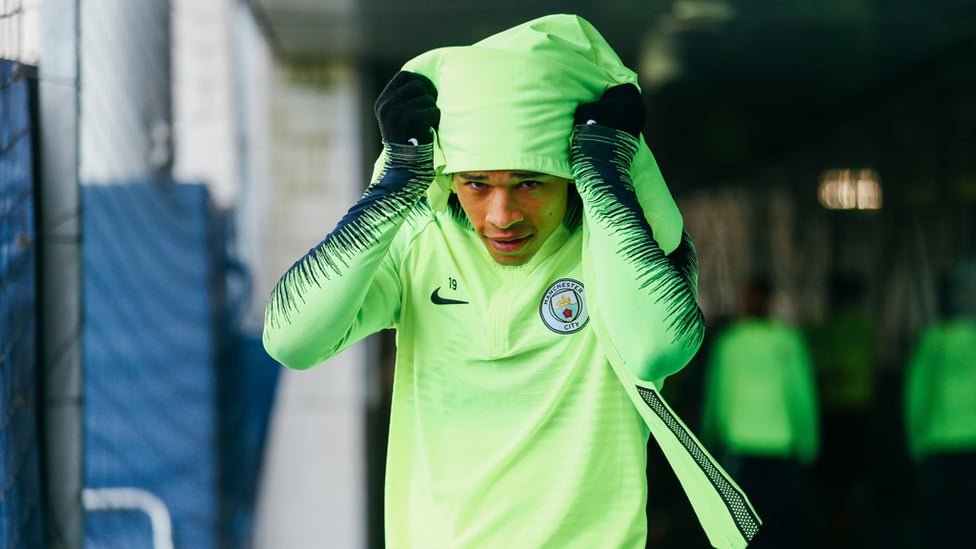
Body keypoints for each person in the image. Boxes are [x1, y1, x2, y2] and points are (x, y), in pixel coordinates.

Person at [263, 14, 758, 548]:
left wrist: (606, 178)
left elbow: (659, 348)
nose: (502, 214)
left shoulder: (616, 246)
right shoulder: (417, 243)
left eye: (529, 183)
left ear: (572, 172)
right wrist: (395, 186)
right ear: (449, 177)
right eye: (476, 184)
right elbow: (292, 339)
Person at [701, 275, 819, 548]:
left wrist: (710, 438)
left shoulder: (731, 343)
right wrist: (808, 444)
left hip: (747, 448)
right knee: (777, 529)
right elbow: (801, 394)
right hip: (767, 448)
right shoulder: (785, 341)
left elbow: (717, 394)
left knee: (743, 530)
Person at [904, 262, 976, 548]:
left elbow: (916, 396)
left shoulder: (931, 342)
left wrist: (916, 443)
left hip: (937, 445)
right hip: (970, 444)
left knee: (939, 525)